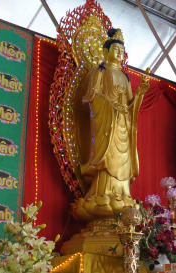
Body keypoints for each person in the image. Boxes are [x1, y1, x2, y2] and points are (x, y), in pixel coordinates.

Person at [74, 28, 149, 221]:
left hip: (122, 123)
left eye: (121, 51)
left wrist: (140, 92)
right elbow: (92, 97)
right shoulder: (100, 71)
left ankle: (123, 194)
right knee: (108, 159)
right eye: (115, 49)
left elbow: (130, 104)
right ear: (106, 51)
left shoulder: (125, 76)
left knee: (123, 160)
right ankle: (103, 194)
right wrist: (109, 104)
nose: (119, 53)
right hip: (107, 125)